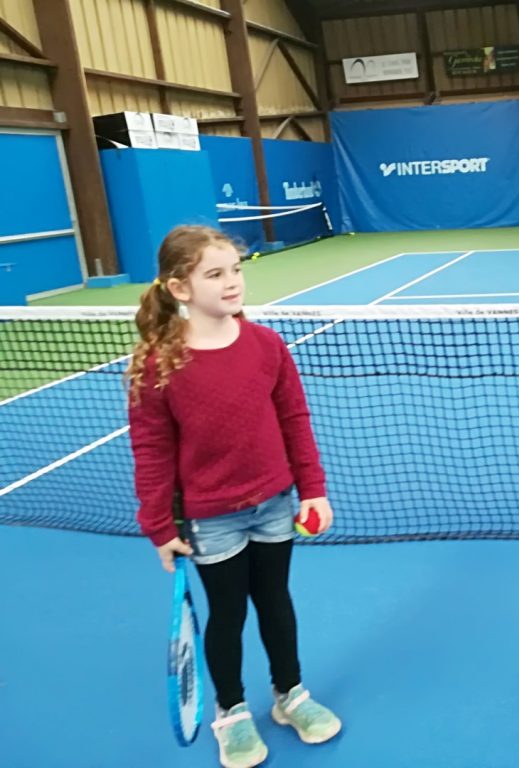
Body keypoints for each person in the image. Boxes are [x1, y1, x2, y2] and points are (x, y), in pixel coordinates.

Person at [127, 225, 342, 768]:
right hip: (211, 519)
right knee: (227, 616)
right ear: (180, 288)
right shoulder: (159, 364)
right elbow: (151, 451)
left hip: (274, 505)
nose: (232, 283)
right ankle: (232, 710)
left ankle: (290, 694)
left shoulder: (267, 345)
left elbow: (294, 420)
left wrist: (312, 490)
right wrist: (159, 526)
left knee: (276, 602)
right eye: (215, 274)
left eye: (236, 271)